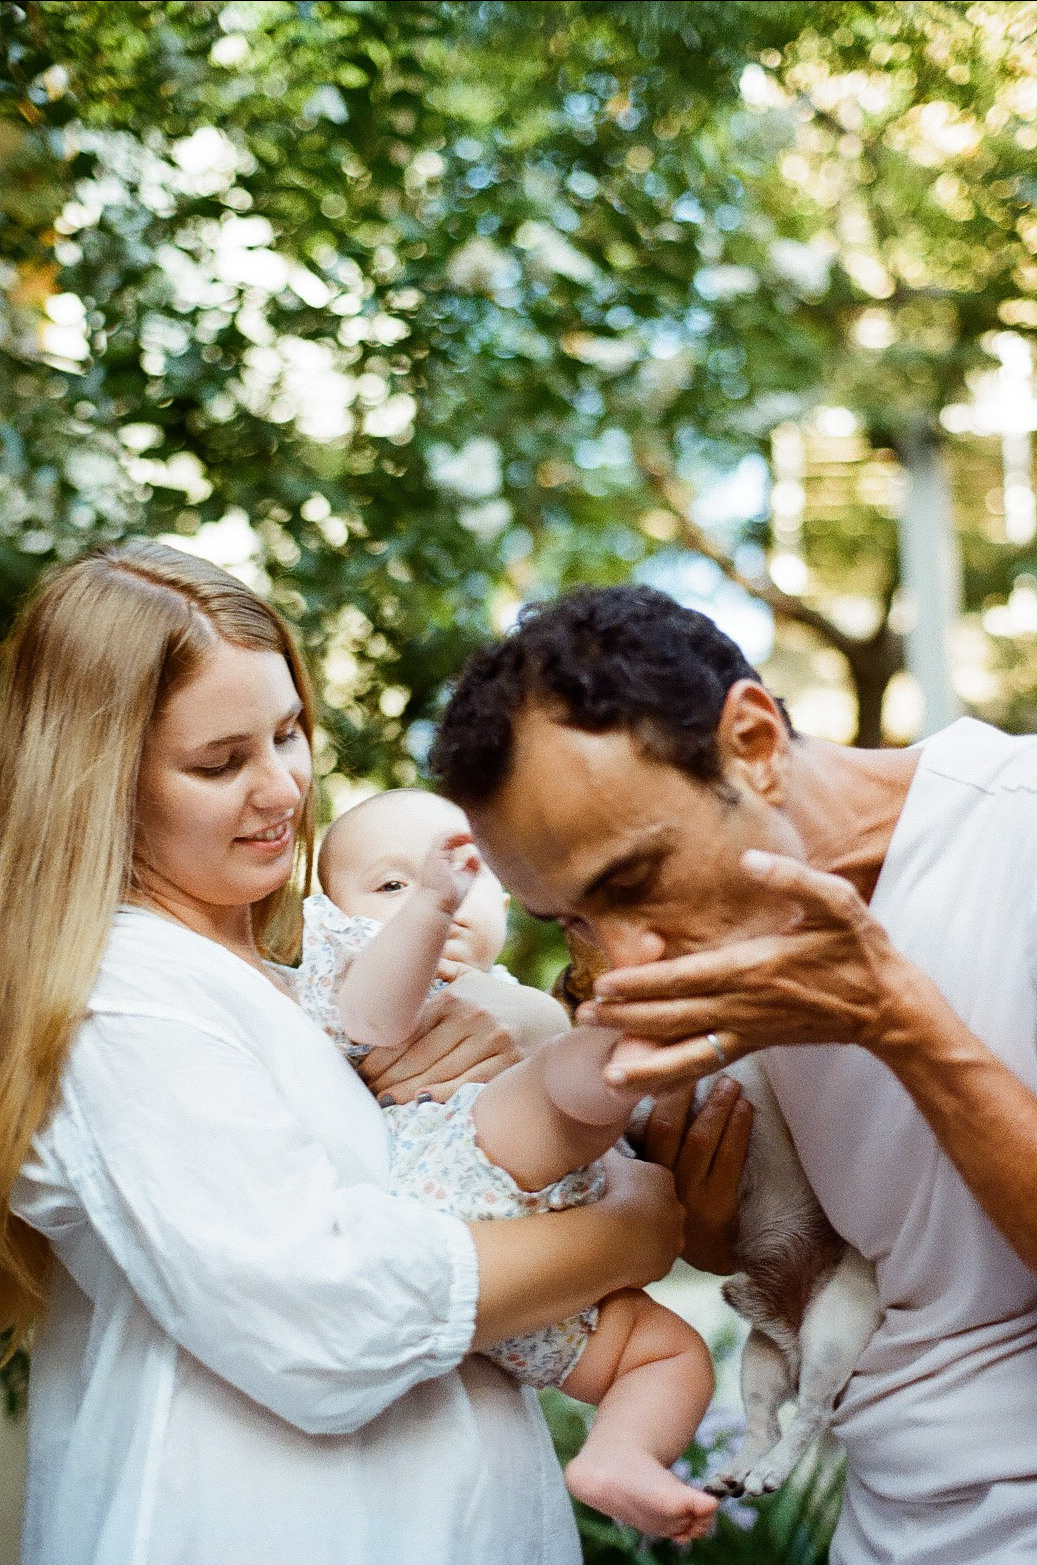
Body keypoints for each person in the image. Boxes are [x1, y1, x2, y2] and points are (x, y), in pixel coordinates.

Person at [0, 546, 685, 1565]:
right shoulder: (122, 992)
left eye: (287, 732)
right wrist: (632, 1230)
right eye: (219, 762)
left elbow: (476, 1145)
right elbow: (321, 1312)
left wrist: (531, 1032)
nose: (281, 785)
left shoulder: (298, 963)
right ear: (101, 781)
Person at [430, 582, 1037, 1565]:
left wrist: (901, 1022)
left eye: (630, 881)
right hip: (889, 1528)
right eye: (571, 920)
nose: (620, 963)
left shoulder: (1015, 834)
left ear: (752, 740)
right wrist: (718, 1231)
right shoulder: (714, 954)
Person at [300, 788, 718, 1544]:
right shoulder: (360, 978)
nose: (445, 890)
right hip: (454, 1185)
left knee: (671, 1354)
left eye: (465, 872)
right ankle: (645, 1038)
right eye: (393, 883)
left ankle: (619, 1457)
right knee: (563, 1083)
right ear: (331, 915)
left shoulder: (523, 1005)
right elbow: (373, 1020)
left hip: (533, 1299)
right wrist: (427, 909)